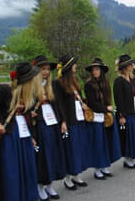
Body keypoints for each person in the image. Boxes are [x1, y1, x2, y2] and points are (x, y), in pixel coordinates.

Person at [0, 62, 40, 201]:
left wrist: (32, 136)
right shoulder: (4, 90)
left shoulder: (28, 94)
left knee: (26, 167)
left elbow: (28, 116)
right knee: (11, 170)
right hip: (9, 136)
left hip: (23, 134)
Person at [52, 55, 89, 190]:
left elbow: (78, 97)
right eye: (74, 64)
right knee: (70, 149)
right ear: (68, 67)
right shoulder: (58, 82)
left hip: (79, 118)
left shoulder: (74, 81)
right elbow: (59, 103)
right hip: (70, 120)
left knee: (79, 147)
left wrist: (84, 104)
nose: (76, 66)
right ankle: (68, 178)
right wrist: (63, 121)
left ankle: (76, 174)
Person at [32, 55, 65, 200]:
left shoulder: (51, 86)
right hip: (40, 124)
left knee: (53, 152)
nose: (45, 72)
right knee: (42, 156)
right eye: (42, 69)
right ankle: (40, 186)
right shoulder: (31, 87)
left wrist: (62, 121)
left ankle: (50, 185)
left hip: (52, 122)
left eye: (47, 69)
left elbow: (58, 106)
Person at [84, 58, 121, 180]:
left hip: (106, 117)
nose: (95, 72)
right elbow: (92, 103)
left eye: (97, 69)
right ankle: (97, 169)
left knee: (107, 142)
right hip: (95, 117)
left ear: (101, 71)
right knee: (98, 143)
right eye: (93, 70)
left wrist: (108, 111)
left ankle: (105, 166)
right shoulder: (88, 85)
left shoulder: (105, 83)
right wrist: (106, 108)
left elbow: (108, 99)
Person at [113, 54, 135, 168]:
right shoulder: (119, 81)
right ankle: (128, 159)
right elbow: (118, 99)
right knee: (129, 136)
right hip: (127, 112)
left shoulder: (133, 79)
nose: (132, 65)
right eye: (130, 64)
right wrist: (121, 116)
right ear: (125, 67)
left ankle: (133, 157)